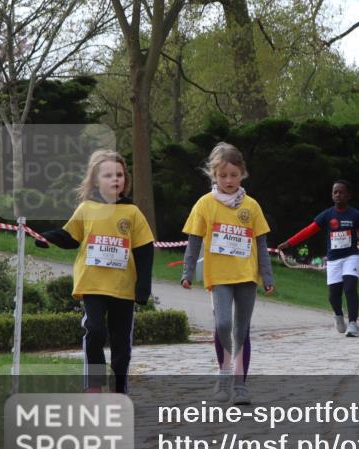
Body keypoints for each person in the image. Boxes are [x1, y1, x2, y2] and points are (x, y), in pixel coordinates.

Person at [37, 150, 155, 394]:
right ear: (95, 180)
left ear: (126, 179)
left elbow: (144, 250)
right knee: (95, 330)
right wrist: (47, 237)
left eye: (120, 175)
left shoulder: (132, 213)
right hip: (92, 284)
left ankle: (119, 388)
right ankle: (94, 385)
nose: (115, 179)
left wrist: (143, 287)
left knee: (121, 341)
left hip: (123, 287)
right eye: (109, 175)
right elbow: (70, 237)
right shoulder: (86, 208)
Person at [181, 143, 273, 405]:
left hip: (246, 277)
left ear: (242, 173)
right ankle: (223, 372)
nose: (229, 180)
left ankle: (240, 385)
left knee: (241, 330)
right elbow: (194, 241)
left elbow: (261, 244)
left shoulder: (252, 207)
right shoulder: (204, 204)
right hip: (218, 277)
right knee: (222, 324)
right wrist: (187, 272)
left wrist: (267, 276)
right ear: (214, 176)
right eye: (223, 176)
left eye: (233, 175)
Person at [277, 180, 359, 338]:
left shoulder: (355, 215)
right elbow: (309, 231)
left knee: (350, 288)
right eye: (335, 192)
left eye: (341, 192)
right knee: (333, 295)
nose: (337, 195)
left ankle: (353, 323)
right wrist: (289, 243)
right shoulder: (327, 215)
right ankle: (338, 315)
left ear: (349, 195)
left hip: (350, 257)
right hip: (333, 260)